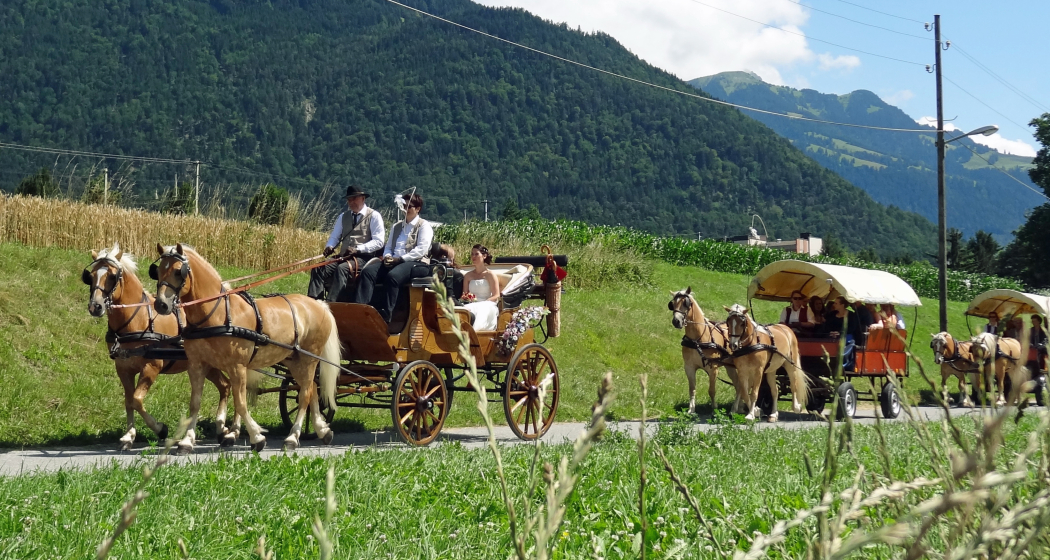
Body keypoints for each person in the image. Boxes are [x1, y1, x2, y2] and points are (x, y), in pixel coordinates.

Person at [354, 193, 434, 323]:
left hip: (417, 263)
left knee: (393, 276)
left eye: (409, 206)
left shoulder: (424, 225)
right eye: (403, 205)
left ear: (418, 209)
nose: (405, 209)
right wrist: (387, 257)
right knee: (368, 272)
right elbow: (389, 247)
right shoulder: (396, 226)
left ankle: (387, 314)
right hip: (395, 261)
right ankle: (361, 309)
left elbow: (421, 250)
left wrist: (400, 259)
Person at [307, 185, 385, 302]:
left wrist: (358, 249)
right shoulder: (343, 217)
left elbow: (379, 241)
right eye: (349, 199)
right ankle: (314, 301)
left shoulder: (374, 216)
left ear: (363, 198)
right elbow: (335, 236)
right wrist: (330, 246)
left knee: (342, 269)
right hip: (344, 256)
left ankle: (332, 303)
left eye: (354, 199)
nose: (351, 202)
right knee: (318, 268)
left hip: (364, 258)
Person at [460, 244, 501, 331]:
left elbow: (496, 295)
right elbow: (465, 294)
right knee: (463, 309)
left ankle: (474, 332)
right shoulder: (468, 276)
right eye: (472, 254)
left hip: (487, 304)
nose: (473, 257)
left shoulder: (490, 275)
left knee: (481, 308)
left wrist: (485, 302)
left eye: (476, 254)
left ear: (484, 256)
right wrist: (468, 297)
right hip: (472, 303)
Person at [822, 297, 862, 371]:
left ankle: (843, 364)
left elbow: (852, 328)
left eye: (836, 303)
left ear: (842, 305)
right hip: (832, 335)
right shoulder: (832, 314)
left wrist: (840, 333)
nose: (834, 305)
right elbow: (827, 325)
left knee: (847, 340)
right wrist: (831, 332)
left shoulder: (851, 315)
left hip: (846, 335)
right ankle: (827, 363)